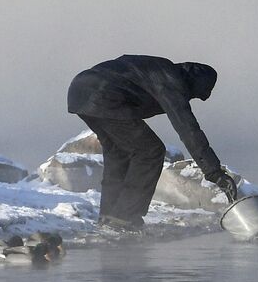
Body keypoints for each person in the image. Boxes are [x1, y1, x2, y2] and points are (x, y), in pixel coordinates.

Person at [67, 54, 238, 232]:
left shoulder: (160, 71)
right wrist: (214, 172)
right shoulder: (170, 80)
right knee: (150, 151)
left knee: (118, 152)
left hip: (80, 92)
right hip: (103, 95)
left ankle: (109, 216)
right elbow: (188, 128)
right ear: (196, 82)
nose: (191, 98)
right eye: (196, 93)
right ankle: (125, 218)